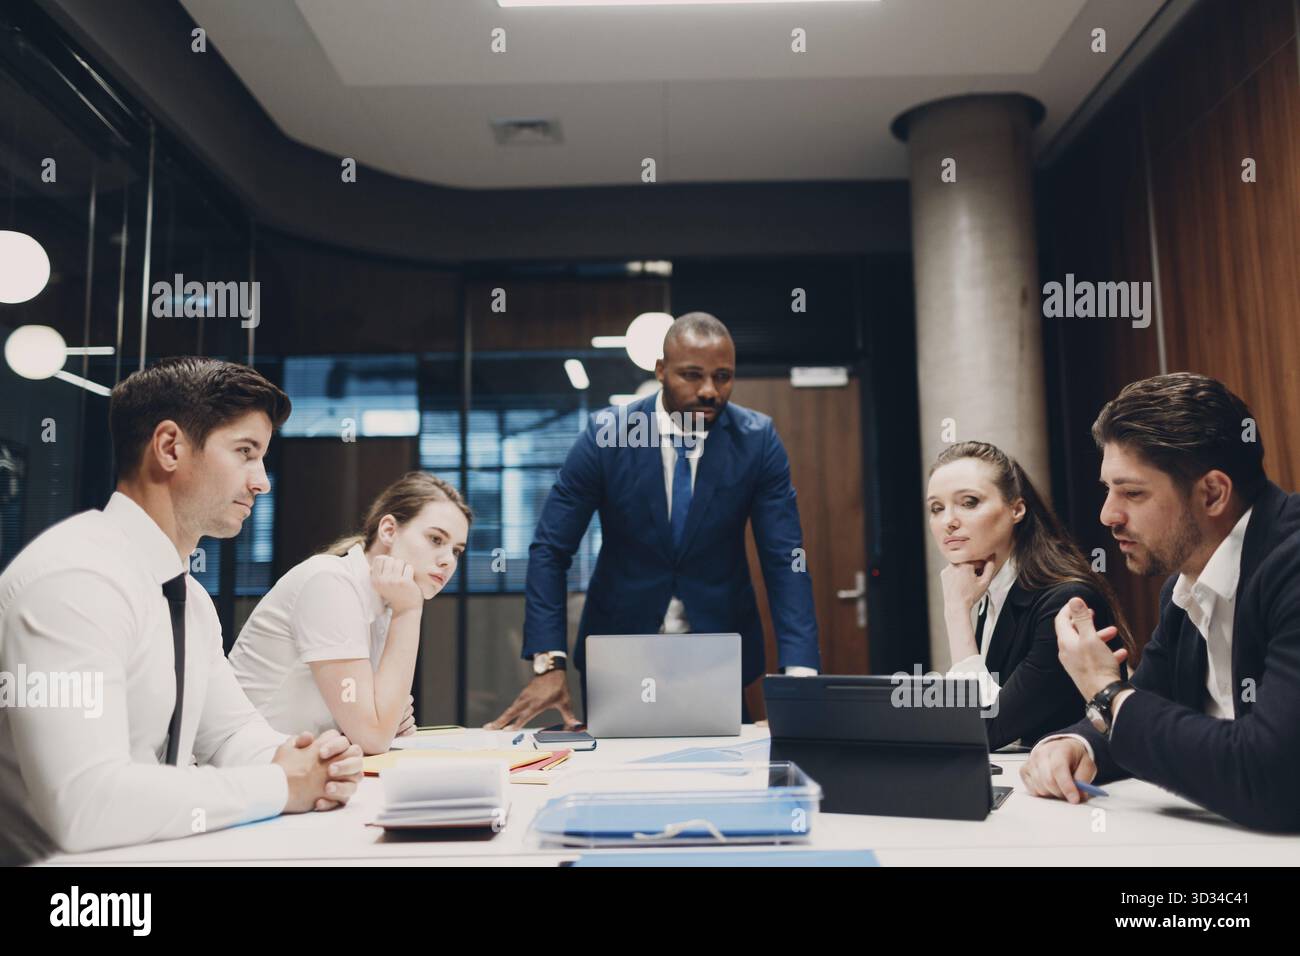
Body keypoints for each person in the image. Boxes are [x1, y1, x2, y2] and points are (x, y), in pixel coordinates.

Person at [0, 357, 363, 865]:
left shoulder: (186, 597)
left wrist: (309, 760)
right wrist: (280, 784)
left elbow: (233, 732)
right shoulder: (75, 579)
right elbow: (85, 806)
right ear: (170, 448)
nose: (263, 482)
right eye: (245, 452)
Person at [487, 312, 820, 730]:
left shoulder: (756, 440)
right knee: (617, 782)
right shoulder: (606, 436)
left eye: (723, 377)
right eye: (692, 375)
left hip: (715, 653)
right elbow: (551, 550)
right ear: (660, 370)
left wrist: (801, 674)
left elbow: (785, 559)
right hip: (619, 651)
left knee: (725, 781)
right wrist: (547, 662)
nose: (709, 391)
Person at [1022, 372, 1300, 831]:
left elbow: (1272, 776)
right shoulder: (1183, 587)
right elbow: (1148, 706)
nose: (1108, 515)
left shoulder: (1290, 567)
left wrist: (1105, 691)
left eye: (1132, 493)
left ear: (1212, 492)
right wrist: (1077, 744)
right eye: (1108, 490)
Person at [231, 472, 470, 754]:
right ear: (389, 530)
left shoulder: (385, 606)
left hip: (296, 768)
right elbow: (372, 738)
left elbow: (374, 726)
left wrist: (387, 717)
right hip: (244, 771)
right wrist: (409, 611)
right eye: (435, 539)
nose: (447, 561)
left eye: (456, 551)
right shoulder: (330, 582)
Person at [927, 441, 1131, 750]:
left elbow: (982, 728)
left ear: (1016, 509)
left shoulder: (1063, 601)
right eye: (936, 508)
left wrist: (956, 613)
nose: (949, 521)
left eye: (969, 502)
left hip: (1088, 786)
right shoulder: (993, 589)